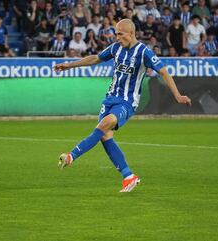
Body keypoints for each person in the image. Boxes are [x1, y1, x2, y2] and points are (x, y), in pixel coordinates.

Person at [54, 19, 191, 193]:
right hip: (109, 99)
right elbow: (96, 58)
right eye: (116, 34)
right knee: (104, 136)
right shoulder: (115, 48)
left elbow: (163, 71)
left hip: (127, 101)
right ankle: (128, 176)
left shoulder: (144, 52)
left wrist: (178, 95)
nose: (117, 37)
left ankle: (71, 156)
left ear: (131, 33)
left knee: (104, 125)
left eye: (120, 34)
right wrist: (69, 65)